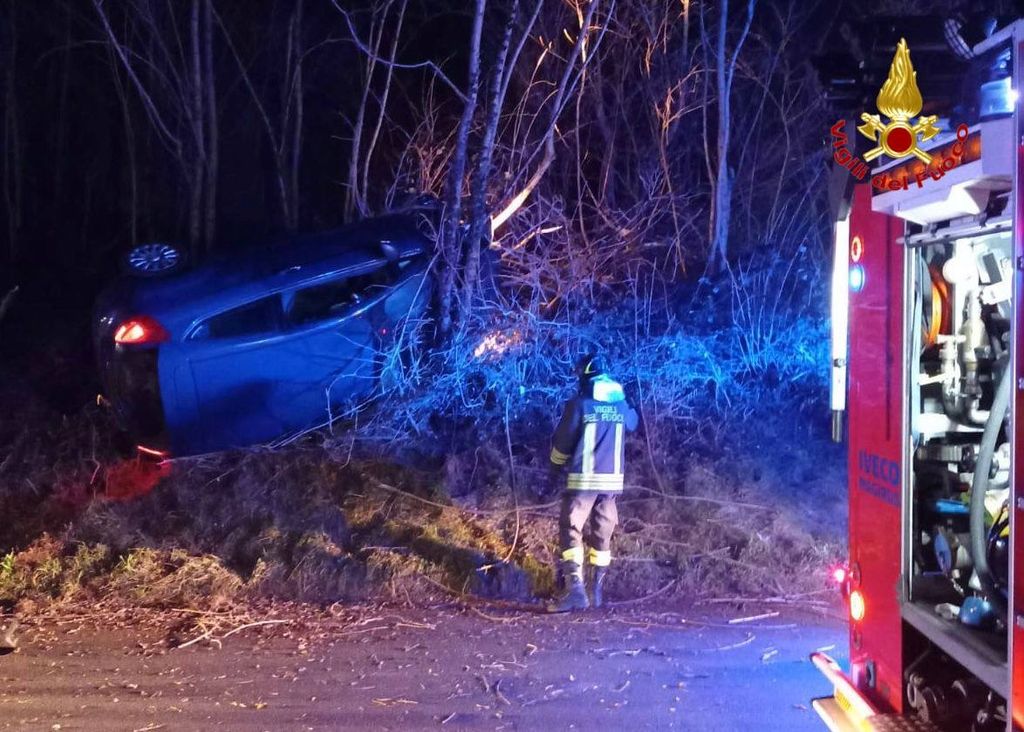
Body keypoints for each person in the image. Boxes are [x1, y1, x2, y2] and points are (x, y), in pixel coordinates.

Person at [547, 354, 638, 612]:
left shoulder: (579, 405)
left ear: (585, 376)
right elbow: (633, 423)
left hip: (583, 481)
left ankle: (576, 591)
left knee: (571, 528)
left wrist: (553, 469)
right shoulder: (620, 405)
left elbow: (562, 444)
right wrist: (629, 405)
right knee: (602, 534)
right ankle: (596, 592)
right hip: (611, 485)